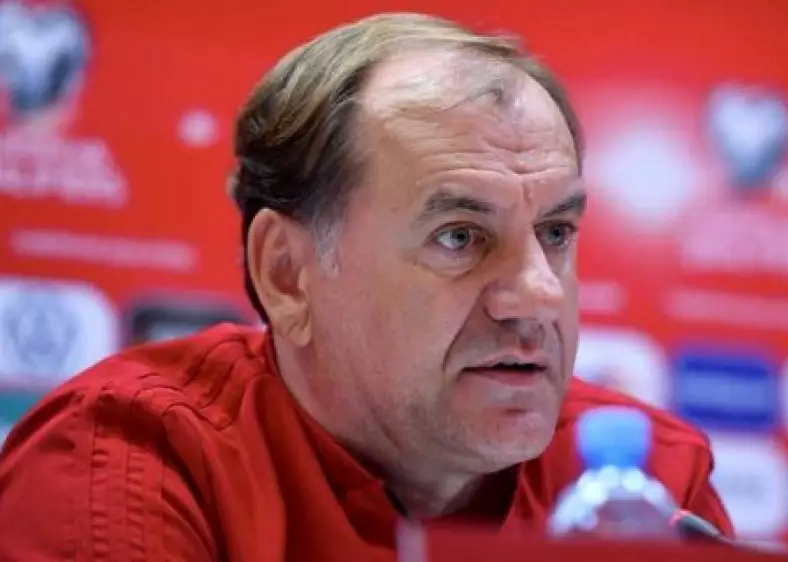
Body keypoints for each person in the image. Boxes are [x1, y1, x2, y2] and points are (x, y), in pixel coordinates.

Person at [0, 12, 732, 561]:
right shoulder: (134, 466)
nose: (540, 294)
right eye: (460, 237)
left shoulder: (651, 486)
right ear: (287, 275)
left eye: (557, 232)